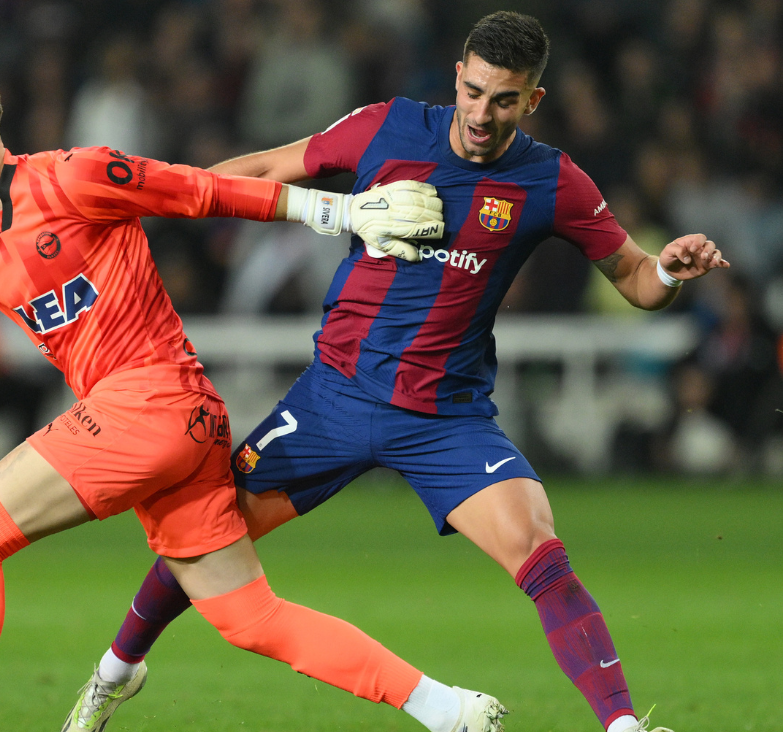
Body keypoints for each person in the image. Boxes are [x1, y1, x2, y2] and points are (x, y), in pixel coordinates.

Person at [0, 61, 508, 732]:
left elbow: (198, 190)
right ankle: (448, 709)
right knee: (250, 618)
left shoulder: (72, 176)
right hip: (181, 421)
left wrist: (338, 212)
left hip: (145, 403)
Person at [68, 12, 728, 732]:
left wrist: (669, 269)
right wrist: (152, 197)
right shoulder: (389, 127)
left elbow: (634, 277)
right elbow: (263, 172)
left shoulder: (550, 180)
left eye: (504, 100)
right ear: (458, 75)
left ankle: (624, 728)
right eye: (473, 92)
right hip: (333, 400)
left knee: (542, 553)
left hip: (446, 419)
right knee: (206, 537)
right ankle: (115, 673)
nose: (482, 115)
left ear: (533, 100)